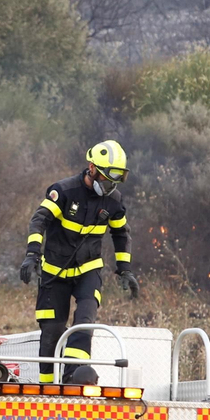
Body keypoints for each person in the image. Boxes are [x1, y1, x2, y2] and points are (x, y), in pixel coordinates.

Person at [19, 141, 137, 385]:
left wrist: (125, 270)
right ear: (91, 168)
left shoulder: (113, 201)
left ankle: (74, 377)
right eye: (105, 179)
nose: (108, 186)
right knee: (51, 331)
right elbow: (38, 221)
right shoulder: (63, 191)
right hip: (54, 272)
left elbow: (121, 234)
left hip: (88, 270)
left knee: (84, 322)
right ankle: (47, 386)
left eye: (113, 182)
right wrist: (32, 254)